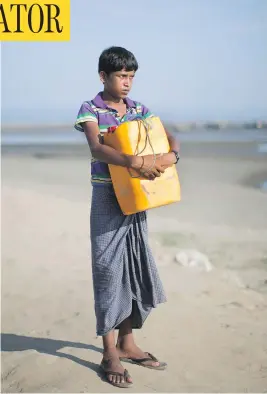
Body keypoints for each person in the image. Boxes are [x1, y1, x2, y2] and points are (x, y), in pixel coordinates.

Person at [74, 46, 180, 388]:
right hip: (107, 197)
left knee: (134, 266)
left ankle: (127, 341)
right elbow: (97, 147)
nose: (127, 83)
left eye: (131, 76)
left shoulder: (139, 109)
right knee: (107, 272)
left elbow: (167, 135)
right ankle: (109, 353)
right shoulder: (90, 109)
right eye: (121, 76)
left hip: (137, 198)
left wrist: (172, 156)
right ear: (103, 76)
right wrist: (135, 162)